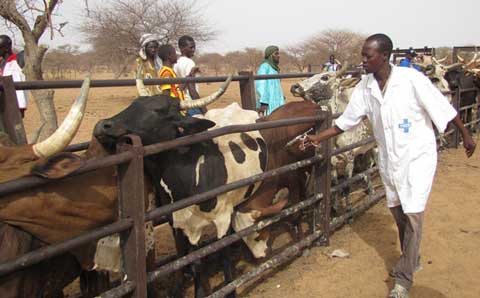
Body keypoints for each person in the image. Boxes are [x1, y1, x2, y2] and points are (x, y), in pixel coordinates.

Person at [302, 33, 476, 298]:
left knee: (414, 213)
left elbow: (442, 108)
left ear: (384, 56)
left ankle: (403, 280)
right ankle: (412, 255)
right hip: (389, 159)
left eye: (367, 56)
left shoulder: (411, 80)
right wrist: (316, 138)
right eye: (362, 55)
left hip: (417, 157)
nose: (363, 60)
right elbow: (345, 122)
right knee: (398, 211)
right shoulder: (365, 87)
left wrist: (465, 134)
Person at [174, 35, 202, 116]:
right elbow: (191, 88)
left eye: (194, 47)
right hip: (191, 103)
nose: (193, 50)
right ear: (182, 48)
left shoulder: (176, 63)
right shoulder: (190, 63)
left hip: (181, 103)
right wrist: (202, 107)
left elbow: (179, 86)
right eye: (191, 47)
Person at [0, 35, 27, 118]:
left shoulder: (17, 60)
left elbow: (30, 49)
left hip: (15, 105)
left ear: (6, 48)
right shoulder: (1, 63)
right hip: (2, 104)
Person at [255, 45, 285, 116]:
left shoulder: (275, 68)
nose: (279, 56)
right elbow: (261, 85)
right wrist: (264, 102)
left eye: (278, 53)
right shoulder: (265, 66)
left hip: (277, 101)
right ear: (270, 55)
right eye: (276, 53)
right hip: (268, 103)